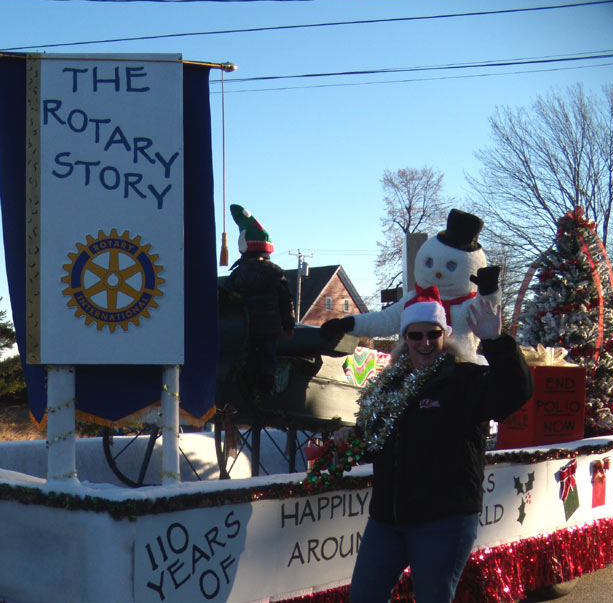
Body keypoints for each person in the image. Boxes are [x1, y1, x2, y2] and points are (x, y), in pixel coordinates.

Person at [336, 285, 532, 603]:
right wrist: (351, 437)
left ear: (444, 335)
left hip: (443, 519)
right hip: (388, 519)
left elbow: (514, 392)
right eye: (416, 335)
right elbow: (376, 438)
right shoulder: (389, 384)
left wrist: (496, 341)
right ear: (405, 338)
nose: (425, 343)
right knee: (364, 596)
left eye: (433, 334)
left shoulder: (465, 380)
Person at [224, 203, 295, 398]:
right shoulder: (276, 272)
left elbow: (227, 296)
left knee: (247, 359)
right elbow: (285, 302)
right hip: (270, 328)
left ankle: (246, 391)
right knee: (268, 359)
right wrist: (288, 326)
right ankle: (267, 390)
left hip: (245, 328)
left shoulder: (238, 273)